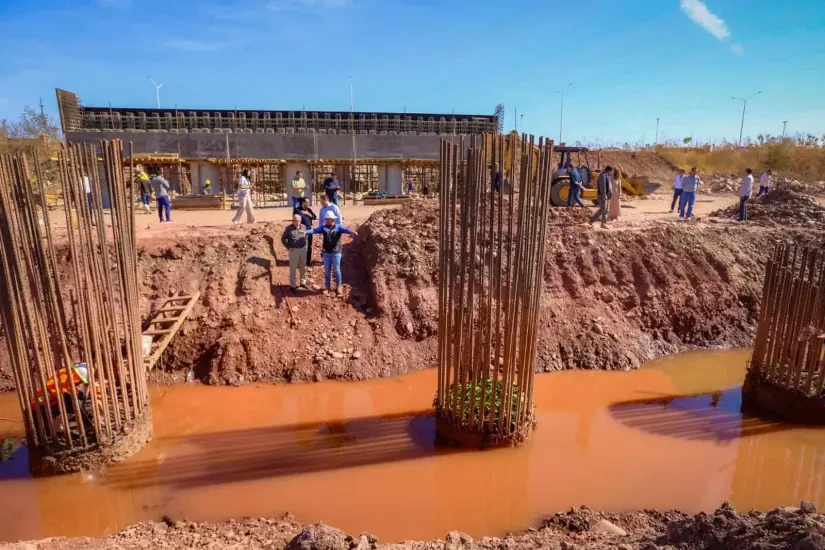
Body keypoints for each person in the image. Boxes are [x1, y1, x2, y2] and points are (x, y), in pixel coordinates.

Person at [304, 211, 356, 295]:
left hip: (336, 253)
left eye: (330, 219)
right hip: (326, 253)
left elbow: (346, 230)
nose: (328, 221)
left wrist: (352, 232)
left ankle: (339, 286)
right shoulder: (323, 228)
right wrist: (306, 232)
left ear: (333, 219)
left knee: (337, 270)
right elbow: (314, 230)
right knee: (327, 271)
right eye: (327, 219)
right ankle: (327, 287)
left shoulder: (338, 227)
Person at [31, 362, 93, 432]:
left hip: (48, 403)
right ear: (77, 378)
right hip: (39, 410)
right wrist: (87, 422)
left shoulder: (67, 375)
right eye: (80, 381)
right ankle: (55, 429)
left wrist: (86, 414)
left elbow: (77, 394)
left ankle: (67, 421)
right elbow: (71, 399)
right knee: (73, 403)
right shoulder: (62, 383)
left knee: (80, 395)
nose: (80, 383)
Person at [281, 214, 308, 292]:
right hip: (294, 251)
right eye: (294, 220)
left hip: (303, 250)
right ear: (292, 220)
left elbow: (306, 237)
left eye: (298, 220)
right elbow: (283, 239)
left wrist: (305, 246)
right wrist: (288, 247)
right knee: (293, 269)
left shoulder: (303, 227)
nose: (296, 222)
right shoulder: (288, 229)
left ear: (300, 220)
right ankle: (292, 286)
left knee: (303, 267)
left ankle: (303, 282)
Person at [294, 196, 317, 265]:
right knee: (302, 246)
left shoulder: (309, 210)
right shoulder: (297, 210)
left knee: (309, 245)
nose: (308, 203)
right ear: (303, 202)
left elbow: (314, 217)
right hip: (301, 229)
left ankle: (308, 261)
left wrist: (308, 214)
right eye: (307, 202)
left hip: (309, 229)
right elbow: (295, 219)